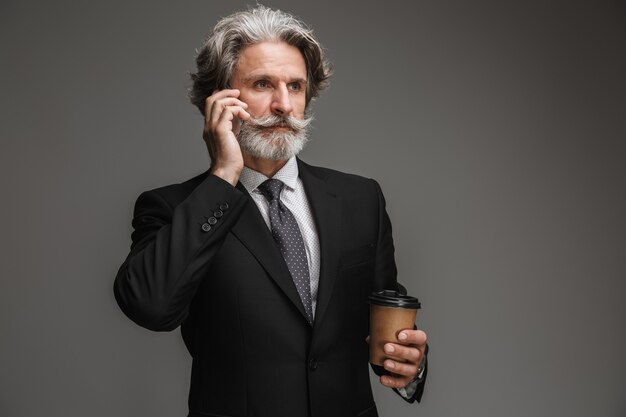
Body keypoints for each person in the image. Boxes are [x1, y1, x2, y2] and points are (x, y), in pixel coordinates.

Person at [114, 6, 428, 417]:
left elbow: (388, 318)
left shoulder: (360, 199)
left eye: (296, 86)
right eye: (263, 84)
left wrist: (409, 363)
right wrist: (224, 175)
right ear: (218, 98)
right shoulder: (174, 209)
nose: (283, 104)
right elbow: (150, 307)